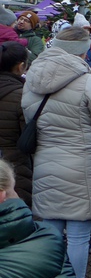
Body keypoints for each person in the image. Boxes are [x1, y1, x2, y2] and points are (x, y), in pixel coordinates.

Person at [21, 27, 91, 278]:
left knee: (50, 234)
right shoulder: (86, 79)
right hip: (83, 163)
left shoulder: (33, 77)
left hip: (45, 162)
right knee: (79, 237)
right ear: (83, 51)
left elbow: (30, 120)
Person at [0, 158, 81, 278]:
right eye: (13, 189)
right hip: (79, 173)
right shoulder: (49, 238)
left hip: (47, 172)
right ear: (2, 196)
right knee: (79, 235)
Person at [0, 42, 32, 206]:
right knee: (15, 215)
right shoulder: (22, 95)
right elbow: (28, 137)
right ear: (21, 67)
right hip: (15, 166)